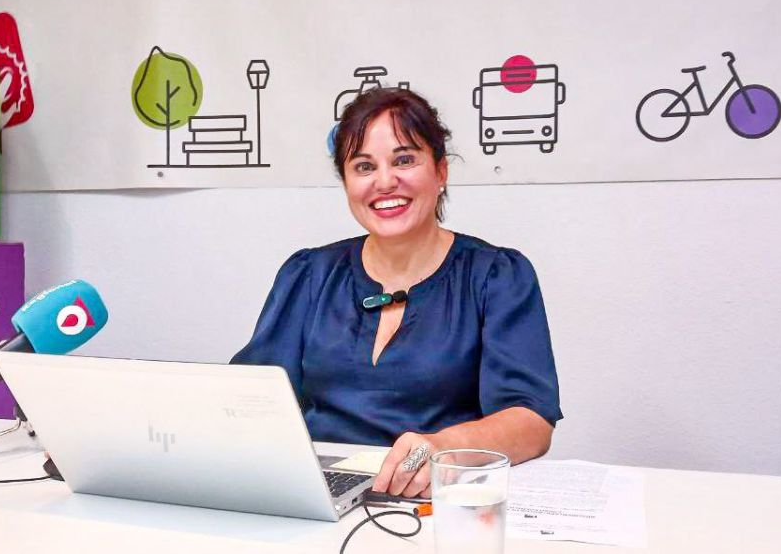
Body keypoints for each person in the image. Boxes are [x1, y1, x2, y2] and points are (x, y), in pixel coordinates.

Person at [230, 87, 561, 498]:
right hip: (317, 494)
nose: (384, 182)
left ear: (441, 171)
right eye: (364, 166)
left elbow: (531, 422)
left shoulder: (495, 275)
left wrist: (443, 448)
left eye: (404, 160)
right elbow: (249, 398)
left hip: (436, 496)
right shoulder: (309, 274)